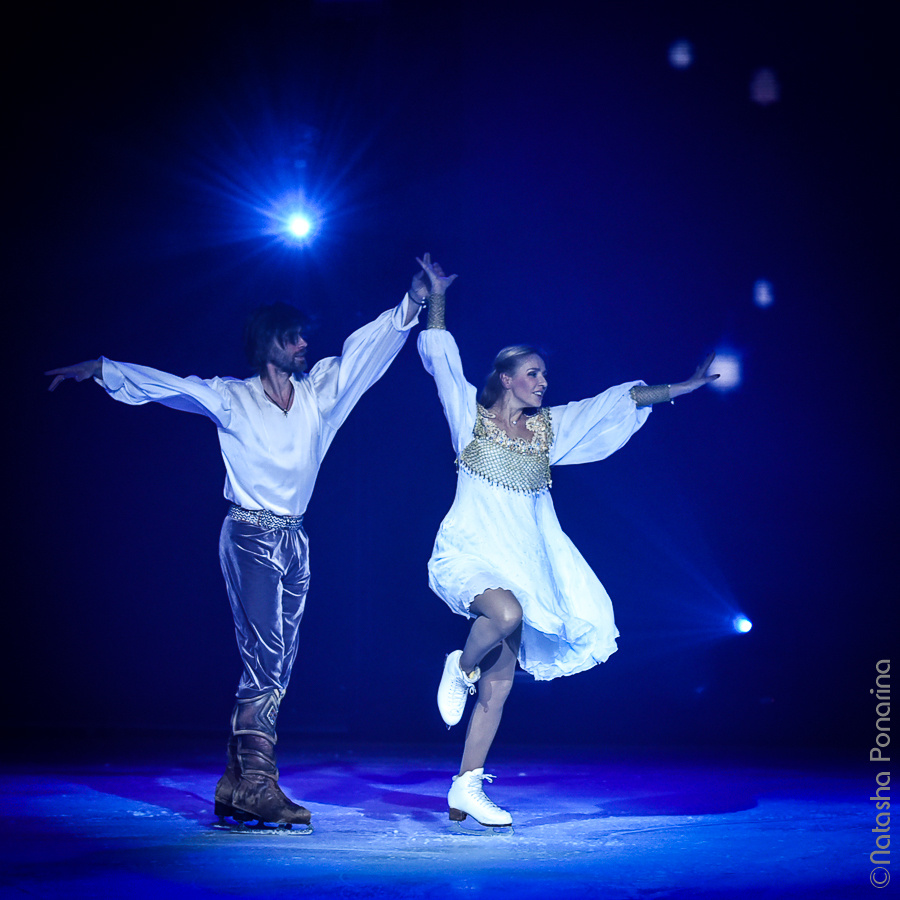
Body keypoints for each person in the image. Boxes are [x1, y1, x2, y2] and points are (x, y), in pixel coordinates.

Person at [45, 261, 433, 831]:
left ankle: (233, 782)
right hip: (249, 534)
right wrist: (103, 369)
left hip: (296, 540)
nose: (305, 345)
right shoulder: (232, 398)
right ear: (267, 344)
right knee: (266, 658)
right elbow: (172, 387)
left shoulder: (318, 393)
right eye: (293, 337)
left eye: (305, 337)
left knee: (279, 662)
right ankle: (257, 782)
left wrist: (412, 302)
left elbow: (362, 357)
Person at [415, 255, 717, 831]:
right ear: (506, 377)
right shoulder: (470, 421)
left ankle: (465, 789)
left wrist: (685, 386)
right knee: (503, 612)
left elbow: (617, 403)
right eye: (532, 373)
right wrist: (437, 297)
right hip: (472, 549)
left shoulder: (549, 430)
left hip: (524, 562)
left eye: (544, 376)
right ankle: (459, 663)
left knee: (499, 689)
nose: (542, 382)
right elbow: (442, 359)